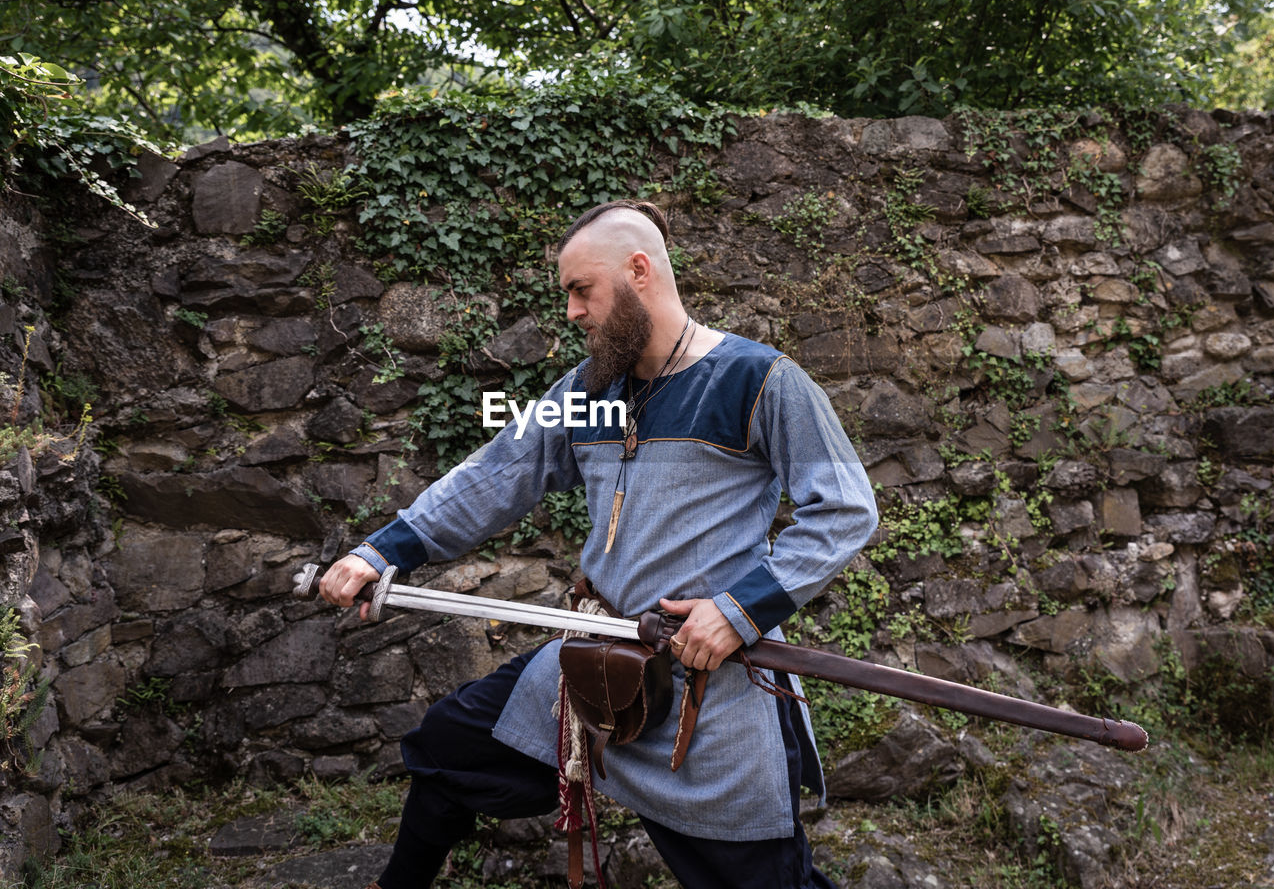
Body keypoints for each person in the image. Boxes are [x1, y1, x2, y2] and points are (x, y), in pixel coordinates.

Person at [320, 199, 879, 888]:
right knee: (447, 750)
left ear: (638, 271)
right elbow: (495, 476)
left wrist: (738, 610)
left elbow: (846, 509)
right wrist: (382, 551)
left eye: (581, 290)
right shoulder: (585, 393)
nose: (572, 312)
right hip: (592, 664)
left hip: (709, 696)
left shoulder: (758, 379)